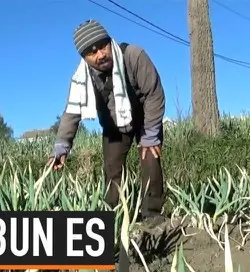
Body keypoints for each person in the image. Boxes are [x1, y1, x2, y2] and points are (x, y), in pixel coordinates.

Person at [47, 19, 167, 234]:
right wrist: (62, 146)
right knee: (112, 171)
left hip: (144, 119)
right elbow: (72, 112)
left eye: (103, 46)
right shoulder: (82, 78)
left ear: (110, 41)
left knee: (150, 159)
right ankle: (115, 216)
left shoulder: (134, 56)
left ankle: (153, 216)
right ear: (83, 57)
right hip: (113, 126)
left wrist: (151, 135)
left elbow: (154, 94)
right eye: (92, 52)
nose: (100, 55)